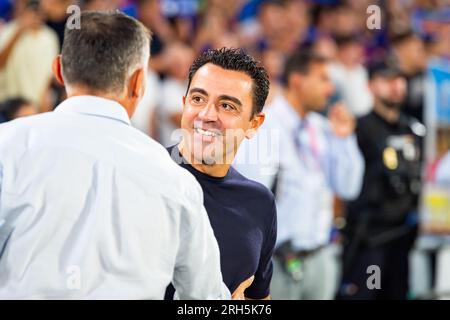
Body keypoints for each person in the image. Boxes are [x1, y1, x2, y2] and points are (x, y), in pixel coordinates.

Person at [0, 11, 229, 300]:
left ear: (58, 71)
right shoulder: (175, 180)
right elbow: (206, 299)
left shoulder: (7, 147)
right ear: (138, 83)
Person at [234, 50, 364, 300]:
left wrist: (345, 139)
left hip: (321, 257)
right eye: (323, 79)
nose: (330, 89)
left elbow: (349, 187)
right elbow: (250, 204)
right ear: (297, 81)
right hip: (277, 263)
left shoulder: (322, 128)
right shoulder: (264, 127)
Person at [166, 47, 277, 300]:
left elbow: (258, 298)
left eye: (227, 106)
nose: (206, 115)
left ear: (254, 124)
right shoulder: (144, 177)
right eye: (197, 99)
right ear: (184, 105)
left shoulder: (260, 203)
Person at [338, 59, 425, 300]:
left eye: (400, 79)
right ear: (371, 86)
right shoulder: (360, 128)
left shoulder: (414, 130)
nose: (396, 86)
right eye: (387, 80)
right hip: (369, 239)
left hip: (404, 238)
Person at [0, 0, 59, 110]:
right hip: (8, 103)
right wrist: (18, 32)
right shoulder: (8, 30)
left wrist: (45, 98)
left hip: (35, 105)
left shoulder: (49, 37)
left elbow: (50, 74)